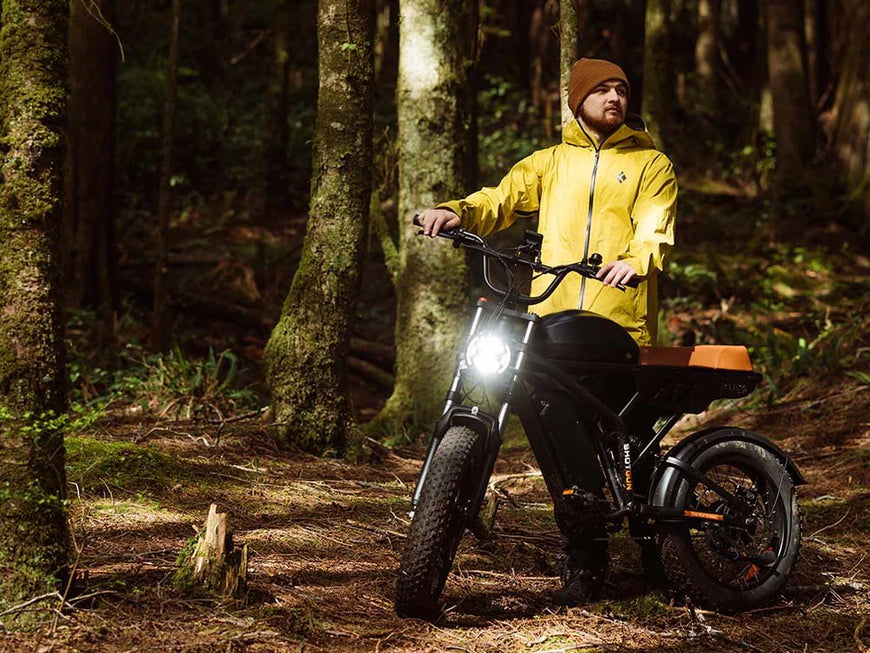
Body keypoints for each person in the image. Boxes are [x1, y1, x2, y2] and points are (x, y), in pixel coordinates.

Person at [417, 58, 678, 606]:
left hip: (616, 322)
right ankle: (586, 549)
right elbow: (498, 201)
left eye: (621, 90)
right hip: (554, 322)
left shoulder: (652, 163)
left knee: (627, 435)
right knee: (543, 408)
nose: (614, 98)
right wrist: (454, 212)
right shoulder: (549, 163)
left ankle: (657, 550)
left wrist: (635, 258)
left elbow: (656, 227)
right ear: (576, 100)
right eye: (602, 90)